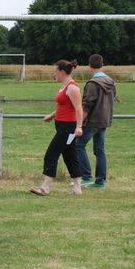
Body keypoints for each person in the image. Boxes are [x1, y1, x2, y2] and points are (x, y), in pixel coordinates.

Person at [30, 60, 84, 196]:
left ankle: (45, 187)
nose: (54, 74)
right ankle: (77, 188)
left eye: (55, 72)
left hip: (67, 128)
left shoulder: (72, 88)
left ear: (62, 72)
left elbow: (78, 108)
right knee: (70, 156)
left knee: (51, 154)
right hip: (62, 125)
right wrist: (52, 115)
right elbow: (63, 106)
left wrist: (79, 127)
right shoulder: (64, 86)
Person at [75, 53, 116, 188]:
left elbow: (86, 106)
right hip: (105, 120)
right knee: (99, 150)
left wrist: (79, 124)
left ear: (89, 66)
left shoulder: (92, 84)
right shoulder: (110, 81)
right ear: (102, 64)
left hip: (92, 121)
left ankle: (86, 176)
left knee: (78, 145)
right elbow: (113, 98)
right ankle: (100, 181)